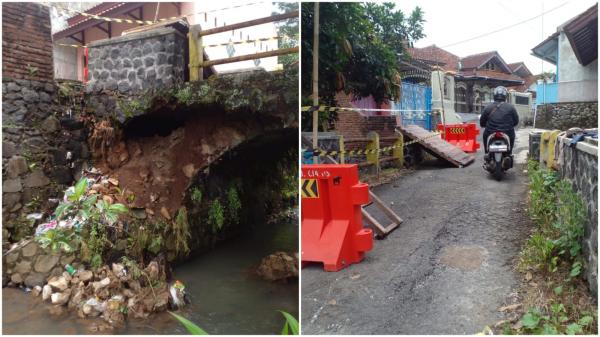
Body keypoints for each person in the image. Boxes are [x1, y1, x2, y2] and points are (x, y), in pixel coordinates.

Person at [479, 86, 519, 156]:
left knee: (485, 135)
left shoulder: (488, 107)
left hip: (490, 132)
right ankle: (509, 153)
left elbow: (482, 122)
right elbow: (516, 121)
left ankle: (486, 152)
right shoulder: (511, 107)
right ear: (505, 96)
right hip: (507, 132)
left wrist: (485, 125)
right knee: (512, 135)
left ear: (494, 95)